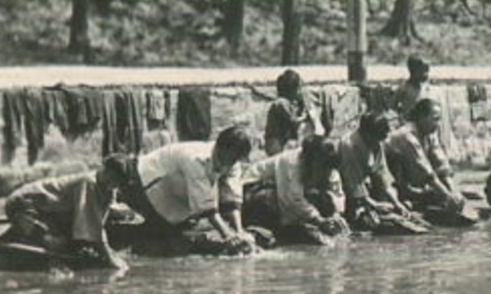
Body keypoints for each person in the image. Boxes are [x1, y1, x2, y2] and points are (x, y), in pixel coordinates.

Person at [112, 126, 259, 256]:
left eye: (235, 160)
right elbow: (206, 207)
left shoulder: (233, 162)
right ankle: (119, 234)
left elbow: (232, 196)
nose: (232, 163)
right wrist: (228, 235)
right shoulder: (196, 158)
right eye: (231, 158)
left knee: (186, 233)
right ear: (221, 147)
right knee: (169, 240)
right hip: (144, 183)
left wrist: (239, 231)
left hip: (174, 196)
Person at [0, 156, 132, 272]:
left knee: (67, 245)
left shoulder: (109, 190)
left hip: (49, 212)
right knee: (50, 244)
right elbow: (93, 225)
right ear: (106, 171)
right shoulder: (88, 183)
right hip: (24, 204)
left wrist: (106, 251)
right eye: (114, 179)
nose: (115, 185)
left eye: (118, 183)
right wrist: (110, 259)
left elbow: (100, 221)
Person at [243, 135, 349, 246]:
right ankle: (273, 230)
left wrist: (336, 215)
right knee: (270, 198)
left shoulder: (329, 164)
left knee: (323, 199)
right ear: (310, 159)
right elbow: (291, 199)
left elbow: (336, 192)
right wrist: (319, 220)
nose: (325, 171)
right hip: (254, 192)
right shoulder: (290, 162)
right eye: (321, 165)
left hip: (284, 196)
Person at [386, 98, 473, 224]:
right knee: (439, 197)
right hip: (394, 183)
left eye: (439, 119)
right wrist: (447, 196)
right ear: (421, 117)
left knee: (449, 197)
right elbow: (425, 172)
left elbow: (441, 165)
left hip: (414, 182)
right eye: (435, 119)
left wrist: (453, 191)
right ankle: (404, 199)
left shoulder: (430, 135)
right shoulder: (406, 136)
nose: (438, 124)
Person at [338, 112, 427, 232]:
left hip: (363, 191)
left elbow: (382, 176)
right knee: (372, 221)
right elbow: (353, 186)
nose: (380, 142)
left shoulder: (377, 143)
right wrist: (375, 205)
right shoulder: (349, 146)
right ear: (367, 134)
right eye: (378, 138)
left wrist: (397, 203)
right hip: (343, 193)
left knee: (407, 215)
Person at [264, 68, 322, 156]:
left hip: (284, 141)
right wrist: (306, 114)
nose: (302, 91)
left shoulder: (292, 103)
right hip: (276, 143)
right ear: (292, 90)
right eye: (300, 87)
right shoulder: (281, 103)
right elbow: (294, 121)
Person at [396, 55, 432, 120]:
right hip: (410, 122)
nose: (427, 75)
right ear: (413, 71)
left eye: (427, 71)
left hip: (425, 124)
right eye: (423, 71)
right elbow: (393, 106)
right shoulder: (404, 88)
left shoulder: (427, 87)